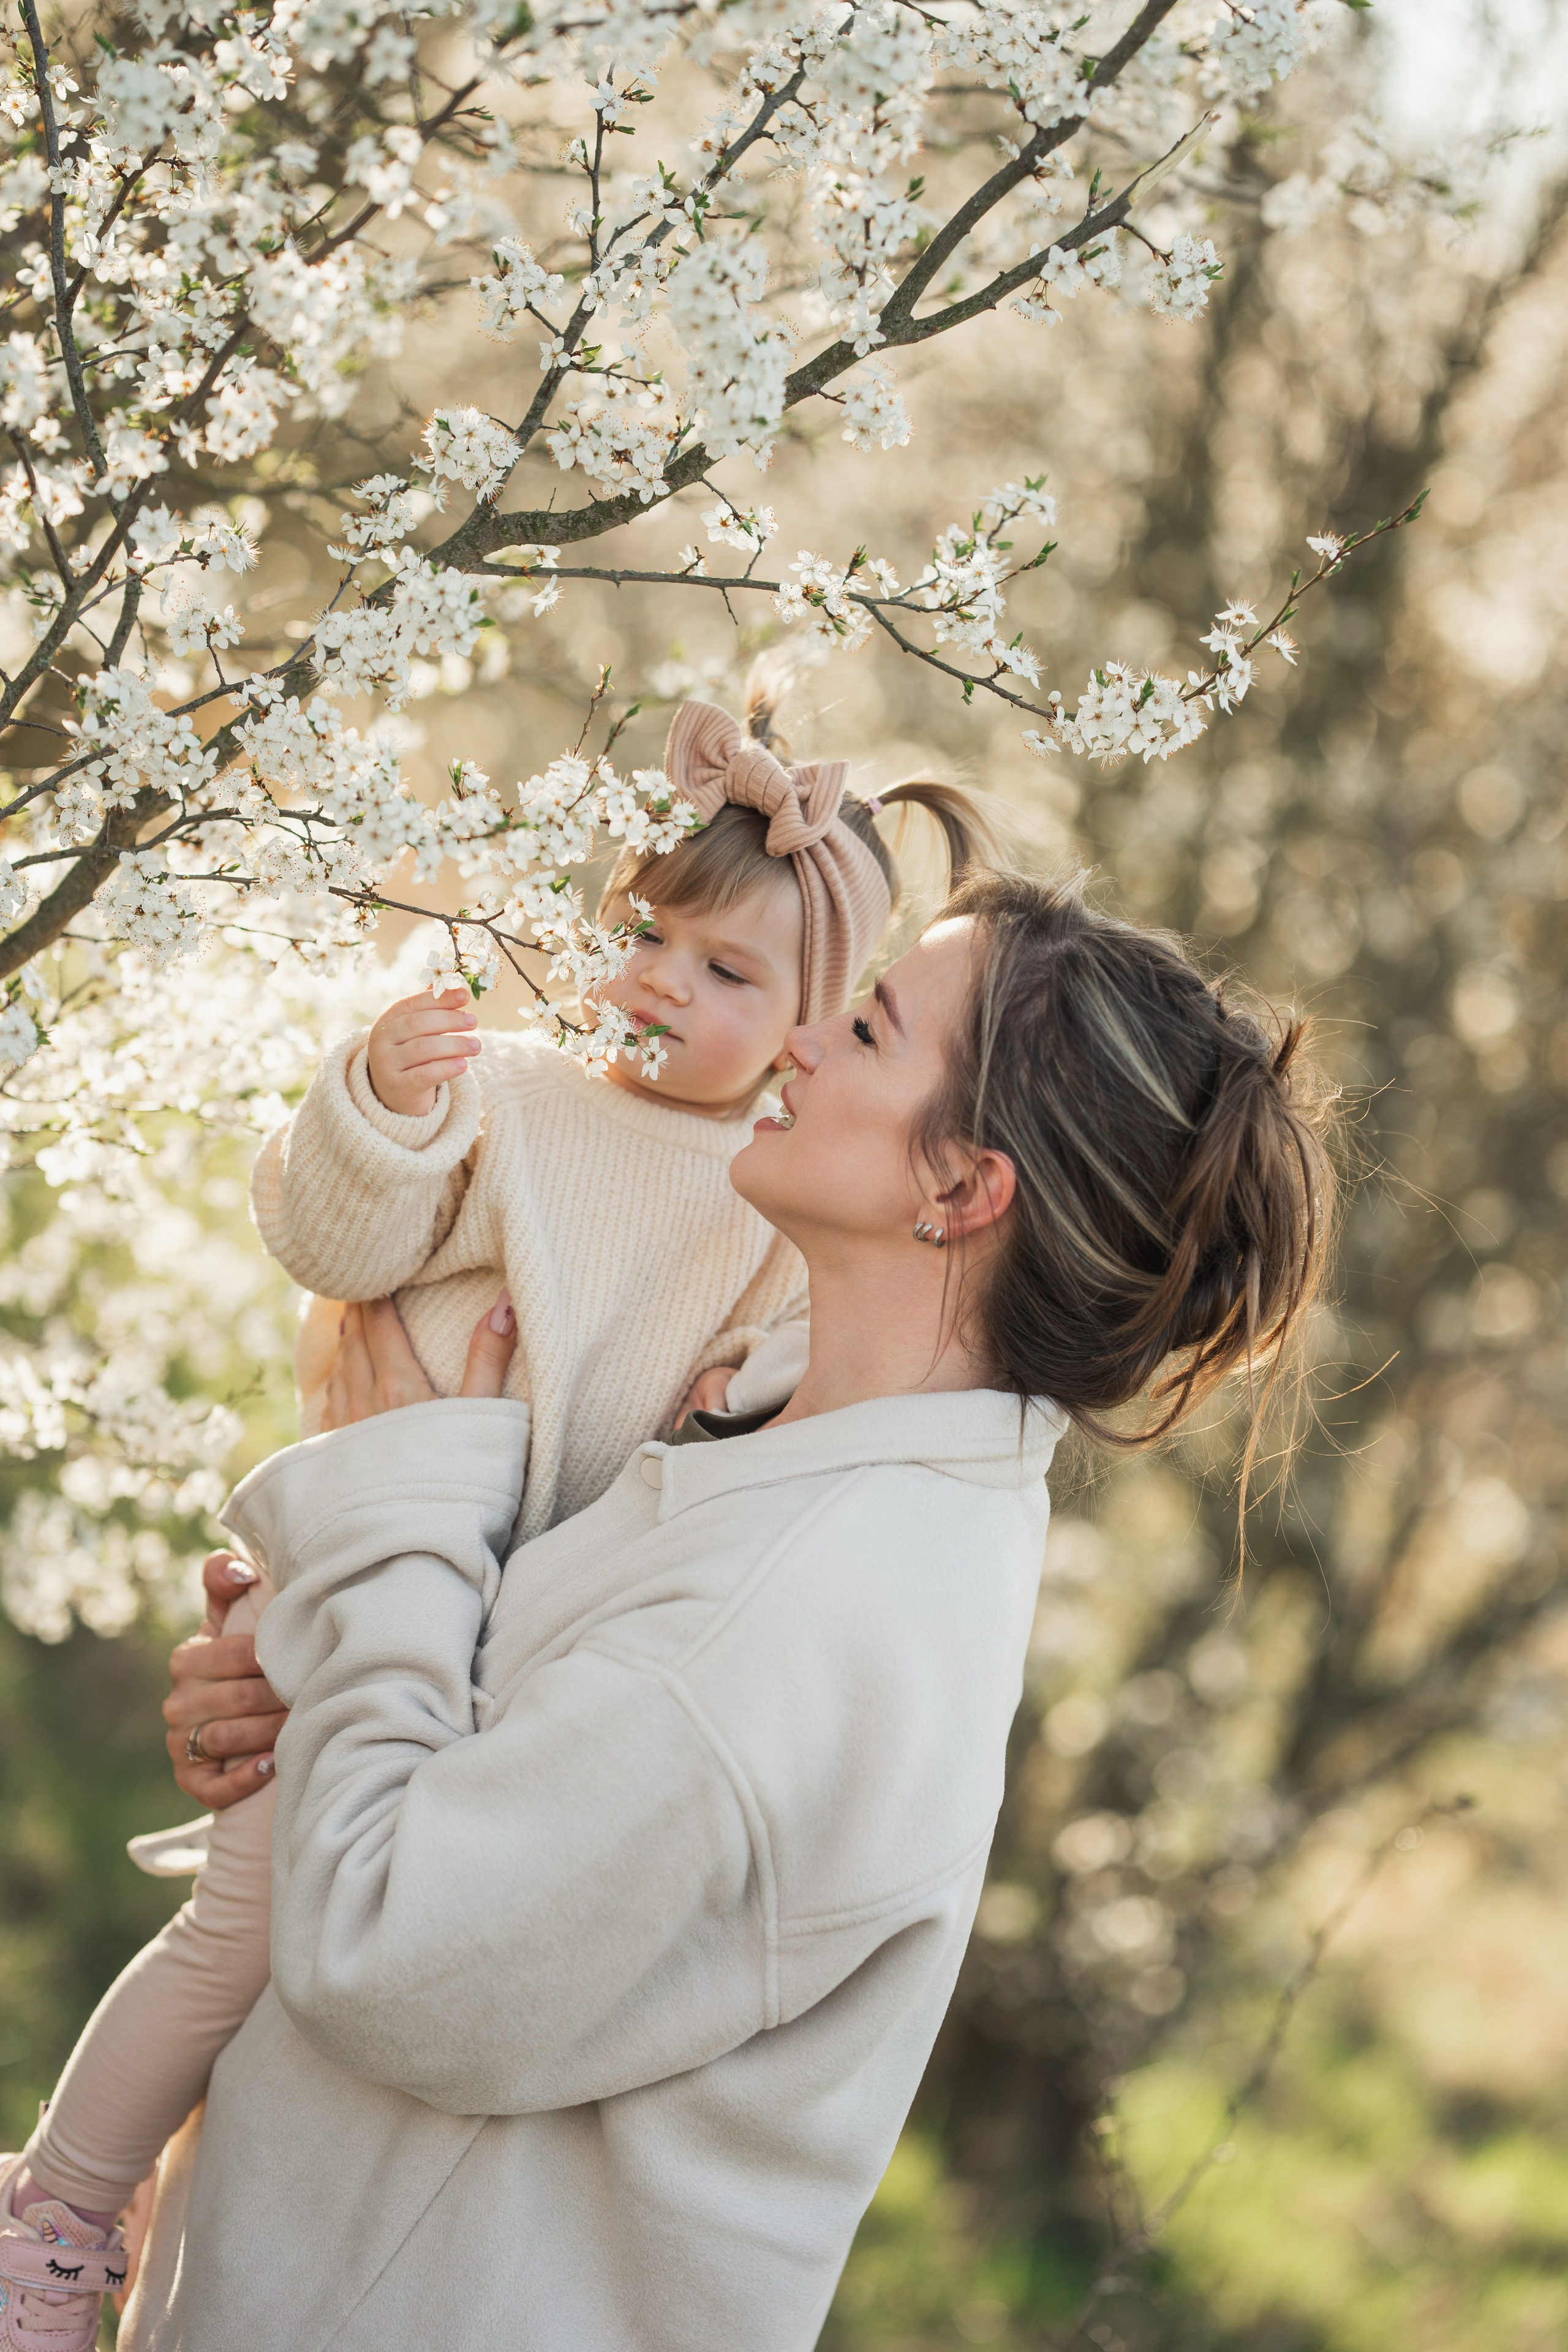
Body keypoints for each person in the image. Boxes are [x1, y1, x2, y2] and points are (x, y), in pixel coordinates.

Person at [94, 864, 1333, 2352]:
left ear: (958, 1189)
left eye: (867, 1028)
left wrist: (396, 1502)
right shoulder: (782, 1437)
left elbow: (382, 1950)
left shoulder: (788, 1628)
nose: (803, 1037)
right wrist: (301, 1684)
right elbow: (489, 1764)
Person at [0, 688, 998, 2352]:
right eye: (646, 934)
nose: (662, 983)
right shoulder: (517, 1100)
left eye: (730, 974)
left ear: (807, 1028)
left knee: (302, 1946)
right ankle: (57, 2214)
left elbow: (733, 1417)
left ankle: (172, 2204)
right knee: (237, 1932)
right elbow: (334, 1244)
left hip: (496, 1634)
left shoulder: (771, 1215)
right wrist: (380, 1114)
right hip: (368, 1585)